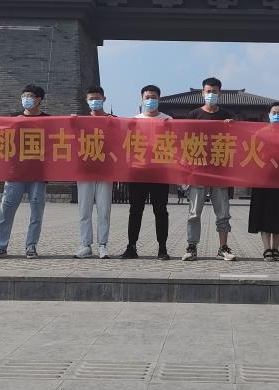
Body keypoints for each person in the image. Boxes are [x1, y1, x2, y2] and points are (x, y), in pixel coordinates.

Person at [0, 85, 49, 259]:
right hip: (15, 171)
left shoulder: (49, 120)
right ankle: (0, 246)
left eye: (30, 96)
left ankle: (31, 246)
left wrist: (74, 120)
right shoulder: (13, 118)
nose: (26, 99)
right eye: (24, 96)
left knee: (36, 210)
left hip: (38, 172)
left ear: (39, 99)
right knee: (6, 209)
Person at [183, 77, 235, 262]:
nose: (211, 94)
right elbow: (185, 142)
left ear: (220, 93)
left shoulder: (227, 116)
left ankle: (223, 247)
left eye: (214, 92)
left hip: (219, 172)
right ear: (202, 93)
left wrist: (232, 127)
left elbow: (236, 142)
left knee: (223, 213)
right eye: (208, 91)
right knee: (194, 213)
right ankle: (192, 247)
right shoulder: (193, 115)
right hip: (198, 171)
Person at [120, 85, 171, 259]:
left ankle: (162, 248)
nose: (150, 100)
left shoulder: (168, 120)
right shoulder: (133, 121)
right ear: (142, 100)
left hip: (160, 172)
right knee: (135, 210)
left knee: (160, 211)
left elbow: (175, 145)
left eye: (153, 97)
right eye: (147, 97)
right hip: (138, 172)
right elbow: (124, 144)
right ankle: (131, 247)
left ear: (159, 99)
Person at [248, 102, 279, 261]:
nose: (277, 115)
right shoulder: (260, 133)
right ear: (269, 114)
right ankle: (267, 248)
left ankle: (276, 248)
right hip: (263, 178)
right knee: (264, 213)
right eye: (274, 112)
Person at [76, 86, 114, 259]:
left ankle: (103, 245)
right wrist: (70, 122)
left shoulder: (113, 120)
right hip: (85, 171)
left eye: (97, 98)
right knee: (84, 210)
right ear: (86, 101)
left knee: (104, 210)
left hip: (106, 171)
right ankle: (86, 245)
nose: (94, 102)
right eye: (91, 99)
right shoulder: (81, 121)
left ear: (104, 99)